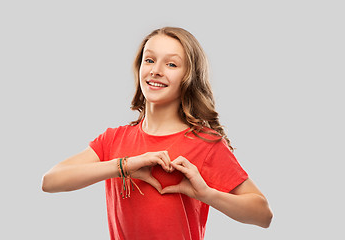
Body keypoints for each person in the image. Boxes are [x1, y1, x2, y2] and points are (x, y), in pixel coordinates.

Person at [42, 26, 273, 239]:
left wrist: (206, 194)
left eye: (171, 64)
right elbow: (50, 181)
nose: (156, 70)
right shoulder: (113, 139)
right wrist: (123, 166)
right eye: (150, 60)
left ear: (188, 77)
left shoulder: (205, 143)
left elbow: (263, 215)